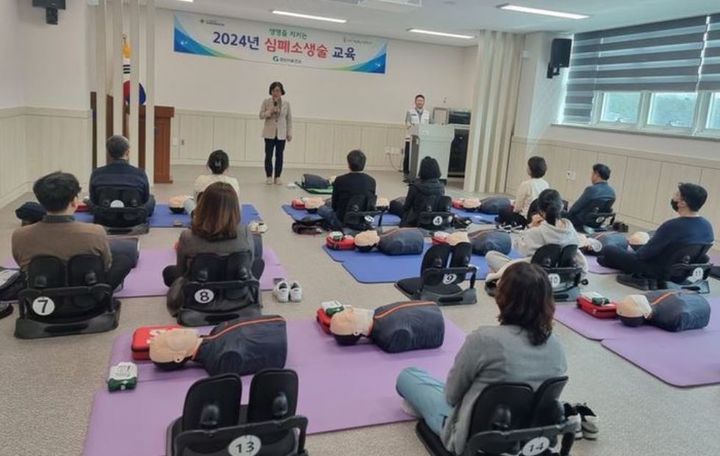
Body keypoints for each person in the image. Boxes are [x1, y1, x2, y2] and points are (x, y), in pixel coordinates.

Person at [395, 262, 567, 454]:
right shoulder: (557, 346)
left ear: (503, 297)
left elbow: (451, 395)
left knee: (409, 376)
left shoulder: (484, 340)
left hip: (470, 439)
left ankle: (424, 410)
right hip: (526, 440)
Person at [12, 172, 133, 290]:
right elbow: (106, 266)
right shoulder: (95, 231)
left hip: (40, 298)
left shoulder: (19, 235)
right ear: (75, 202)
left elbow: (23, 268)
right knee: (123, 260)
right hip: (89, 299)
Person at [163, 182, 258, 315]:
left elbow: (182, 272)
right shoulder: (246, 232)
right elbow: (250, 264)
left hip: (199, 293)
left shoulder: (188, 237)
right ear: (235, 208)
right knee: (259, 264)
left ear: (203, 206)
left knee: (168, 273)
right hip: (234, 290)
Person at [597, 183, 714, 275]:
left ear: (682, 203)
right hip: (681, 271)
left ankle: (609, 260)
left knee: (609, 250)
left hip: (657, 270)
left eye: (676, 195)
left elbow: (642, 256)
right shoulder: (707, 226)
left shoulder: (672, 225)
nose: (673, 197)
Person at [486, 189, 588, 281]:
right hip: (562, 276)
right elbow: (580, 261)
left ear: (542, 212)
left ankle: (503, 276)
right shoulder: (571, 230)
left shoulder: (537, 231)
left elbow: (519, 249)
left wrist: (530, 227)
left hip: (534, 276)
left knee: (491, 255)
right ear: (561, 207)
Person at [89, 135, 155, 216]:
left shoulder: (97, 174)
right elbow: (144, 200)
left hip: (104, 218)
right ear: (127, 153)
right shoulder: (140, 174)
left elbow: (94, 200)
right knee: (151, 198)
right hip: (135, 218)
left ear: (108, 153)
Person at [318, 150, 377, 229]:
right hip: (363, 219)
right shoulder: (372, 181)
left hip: (342, 220)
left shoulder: (340, 180)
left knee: (321, 209)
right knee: (328, 203)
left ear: (348, 164)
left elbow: (334, 206)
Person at [497, 156, 549, 228]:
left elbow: (517, 208)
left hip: (525, 218)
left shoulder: (526, 184)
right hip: (539, 218)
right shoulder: (546, 184)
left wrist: (514, 207)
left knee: (502, 210)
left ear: (530, 169)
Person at [259, 81, 292, 185]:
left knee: (279, 156)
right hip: (269, 133)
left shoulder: (286, 103)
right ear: (271, 91)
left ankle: (277, 177)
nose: (275, 93)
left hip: (281, 133)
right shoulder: (266, 102)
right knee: (268, 155)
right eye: (273, 90)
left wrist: (289, 132)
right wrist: (270, 111)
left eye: (278, 90)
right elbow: (261, 115)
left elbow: (289, 119)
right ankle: (269, 176)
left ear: (281, 91)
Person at [566, 163, 616, 229]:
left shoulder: (591, 190)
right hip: (596, 223)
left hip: (580, 222)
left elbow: (574, 209)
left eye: (592, 174)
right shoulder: (612, 192)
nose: (591, 176)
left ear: (597, 174)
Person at [399, 156, 445, 227]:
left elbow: (406, 207)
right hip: (433, 218)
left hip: (415, 220)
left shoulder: (415, 186)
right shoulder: (441, 187)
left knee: (394, 204)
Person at [403, 94, 431, 178]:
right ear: (415, 102)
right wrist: (414, 127)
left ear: (424, 102)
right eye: (418, 100)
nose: (420, 102)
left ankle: (420, 173)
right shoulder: (410, 112)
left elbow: (430, 124)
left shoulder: (427, 113)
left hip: (423, 139)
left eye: (421, 101)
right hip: (411, 138)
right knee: (408, 155)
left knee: (421, 156)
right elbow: (407, 123)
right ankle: (406, 174)